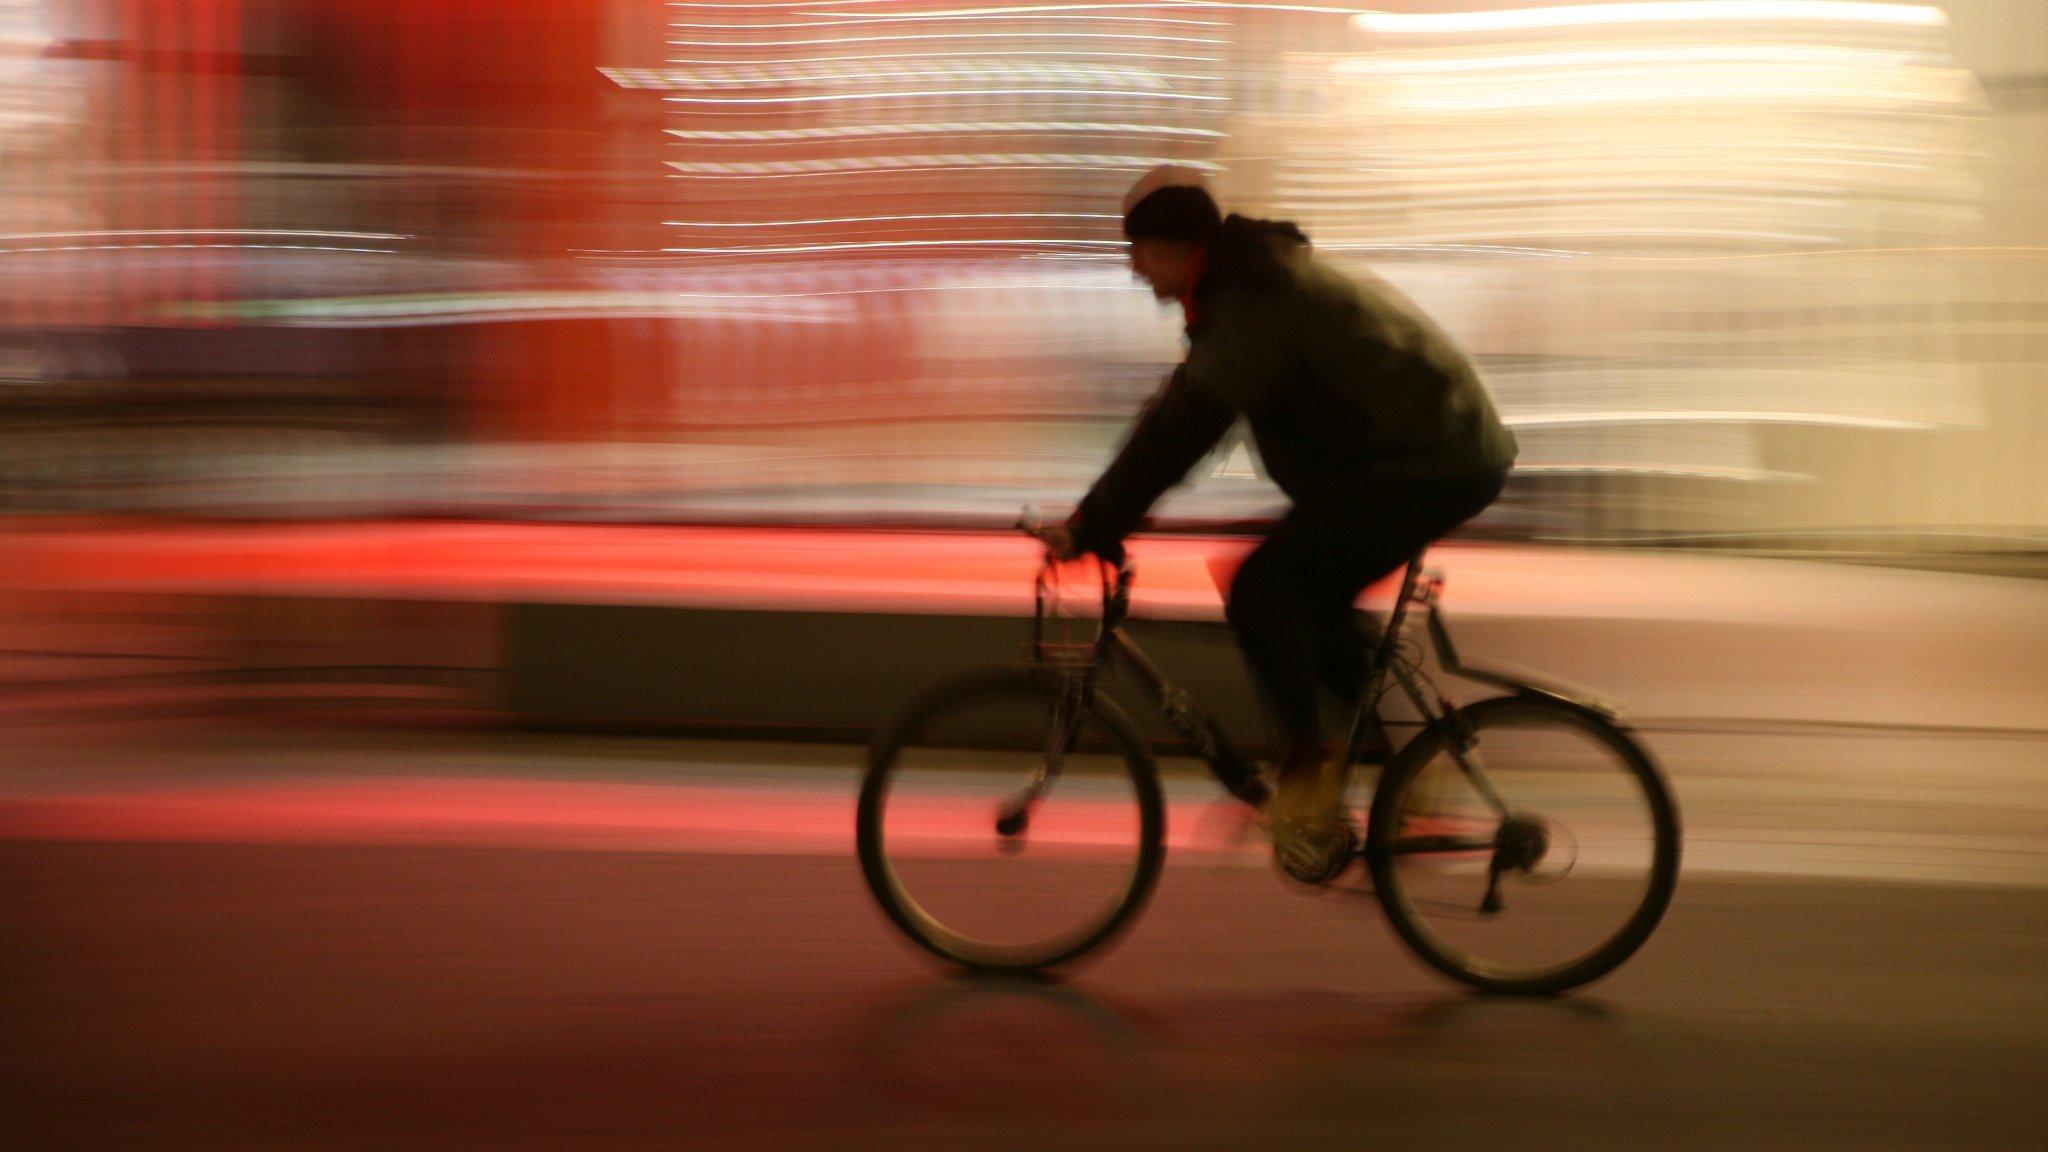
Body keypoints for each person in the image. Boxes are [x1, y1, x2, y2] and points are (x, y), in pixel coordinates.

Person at [1039, 165, 1517, 875]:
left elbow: (1185, 432)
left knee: (1264, 586)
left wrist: (1096, 524)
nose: (1135, 270)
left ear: (1177, 247)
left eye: (1138, 252)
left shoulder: (1252, 304)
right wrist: (1096, 516)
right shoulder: (1240, 293)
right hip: (1422, 451)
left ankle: (1306, 786)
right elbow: (1177, 409)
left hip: (1430, 457)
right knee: (1310, 599)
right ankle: (1410, 778)